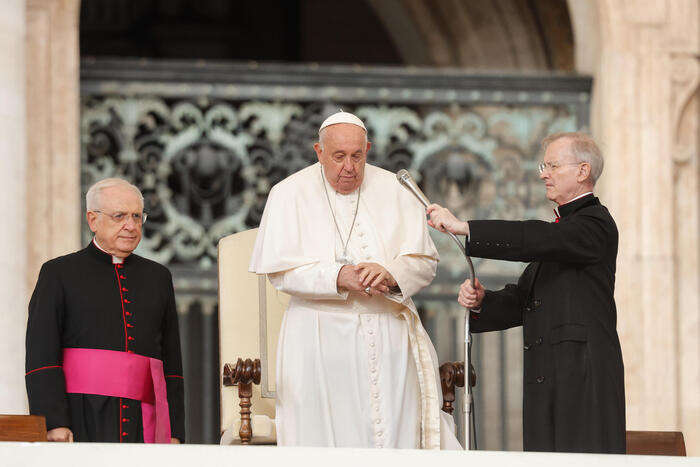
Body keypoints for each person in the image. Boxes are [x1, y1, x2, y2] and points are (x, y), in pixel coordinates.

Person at [249, 111, 459, 449]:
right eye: (339, 156)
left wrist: (393, 274)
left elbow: (424, 263)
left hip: (388, 337)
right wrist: (337, 276)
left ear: (368, 149)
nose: (350, 166)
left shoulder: (397, 188)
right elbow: (279, 272)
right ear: (319, 151)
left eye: (357, 156)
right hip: (319, 339)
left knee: (392, 434)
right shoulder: (288, 193)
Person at [427, 132, 625, 453]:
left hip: (583, 383)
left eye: (553, 165)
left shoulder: (594, 224)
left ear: (582, 171)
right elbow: (524, 300)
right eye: (542, 166)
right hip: (549, 381)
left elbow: (536, 237)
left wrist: (465, 227)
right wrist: (482, 302)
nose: (544, 174)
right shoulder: (562, 233)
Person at [25, 178, 185, 443]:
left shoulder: (158, 277)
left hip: (144, 422)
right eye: (119, 216)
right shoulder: (59, 273)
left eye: (137, 216)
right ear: (92, 220)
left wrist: (175, 431)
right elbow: (41, 356)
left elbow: (172, 364)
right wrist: (53, 422)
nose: (131, 226)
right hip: (81, 415)